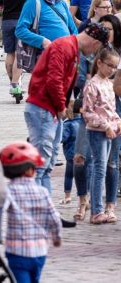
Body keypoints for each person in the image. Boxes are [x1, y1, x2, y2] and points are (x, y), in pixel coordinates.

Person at [25, 22, 110, 195]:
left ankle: (46, 212)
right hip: (43, 108)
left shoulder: (71, 48)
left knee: (46, 166)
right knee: (40, 165)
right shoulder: (64, 47)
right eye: (98, 49)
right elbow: (54, 81)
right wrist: (61, 107)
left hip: (50, 110)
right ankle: (35, 210)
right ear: (95, 43)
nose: (94, 54)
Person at [0, 141, 62, 283]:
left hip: (17, 252)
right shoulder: (43, 192)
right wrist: (56, 237)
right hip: (40, 251)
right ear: (30, 170)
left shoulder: (8, 191)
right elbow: (54, 217)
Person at [81, 46, 121, 225]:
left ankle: (106, 207)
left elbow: (110, 110)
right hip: (97, 132)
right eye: (110, 65)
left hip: (111, 130)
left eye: (115, 66)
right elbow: (87, 112)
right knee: (99, 169)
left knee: (110, 166)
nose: (112, 69)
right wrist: (106, 125)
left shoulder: (108, 84)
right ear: (99, 63)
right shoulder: (92, 84)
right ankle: (96, 210)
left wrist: (117, 121)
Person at [0, 0, 42, 94]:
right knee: (20, 53)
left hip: (8, 19)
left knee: (10, 53)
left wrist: (6, 0)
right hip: (25, 20)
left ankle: (12, 83)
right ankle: (16, 84)